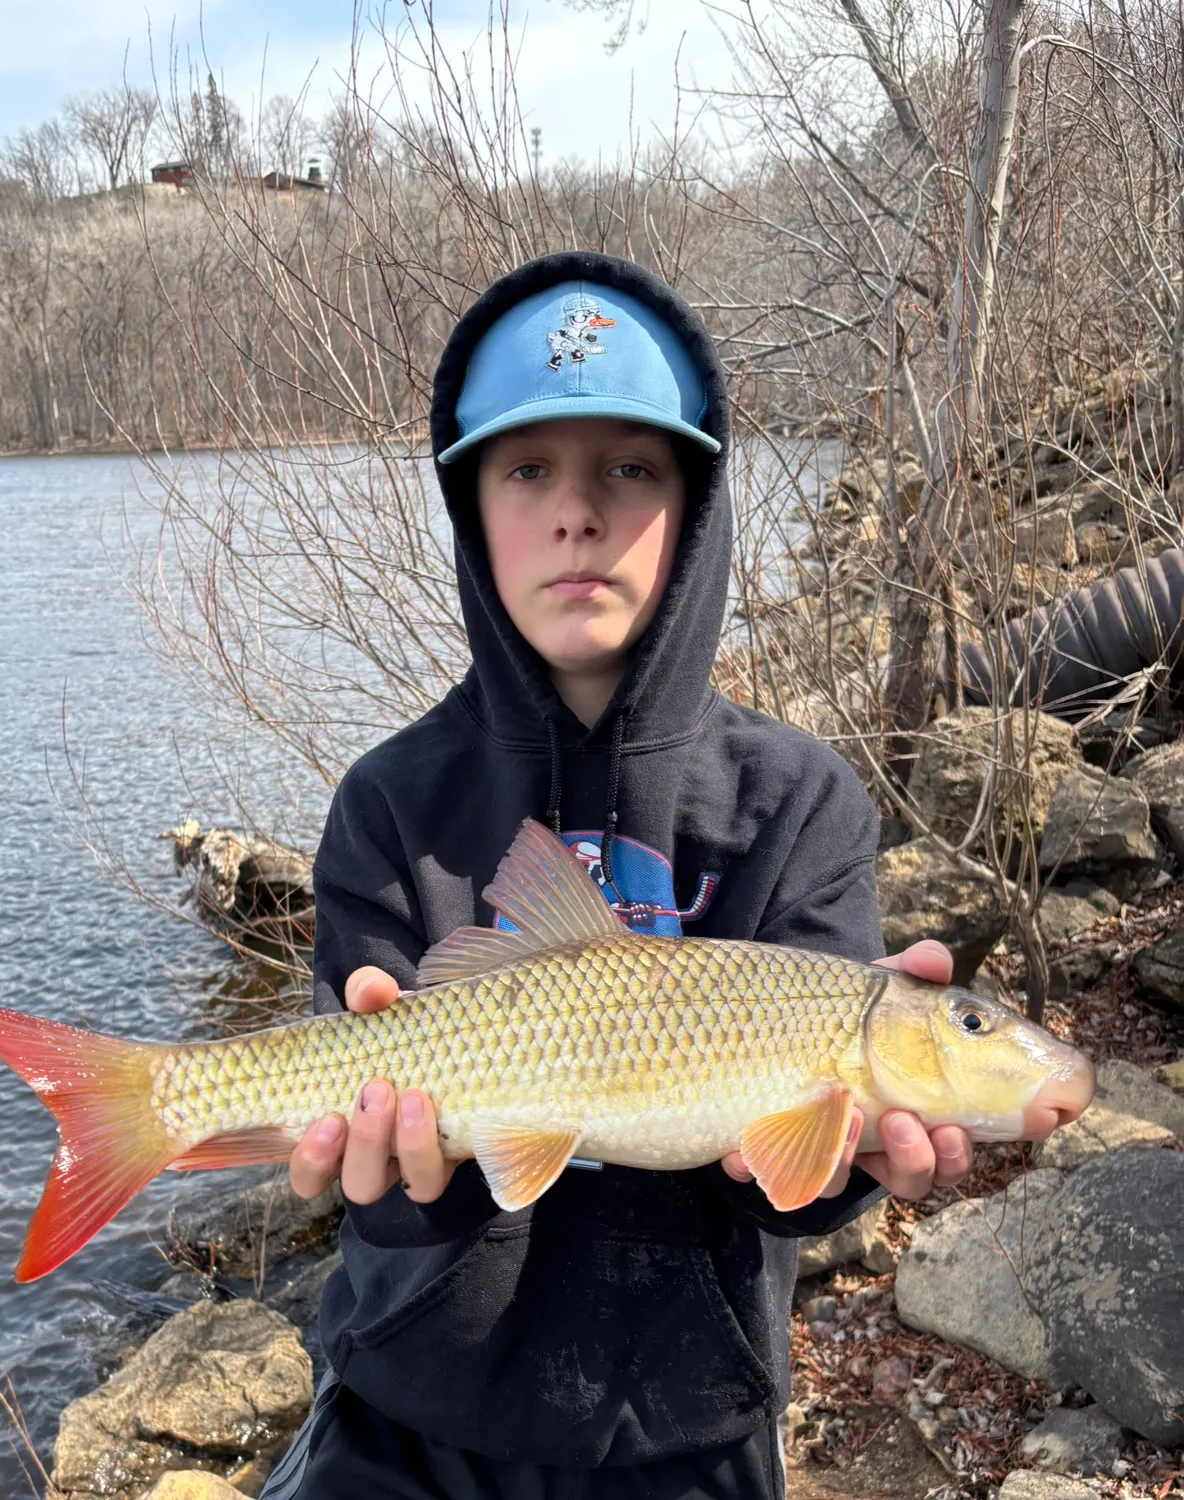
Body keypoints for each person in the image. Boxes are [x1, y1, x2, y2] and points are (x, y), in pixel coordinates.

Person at [260, 253, 972, 1500]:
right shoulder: (389, 802)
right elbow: (375, 1195)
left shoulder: (800, 802)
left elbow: (791, 1197)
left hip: (686, 1420)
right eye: (529, 468)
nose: (577, 513)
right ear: (471, 506)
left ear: (693, 508)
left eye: (628, 469)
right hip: (410, 1408)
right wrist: (389, 1188)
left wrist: (837, 1173)